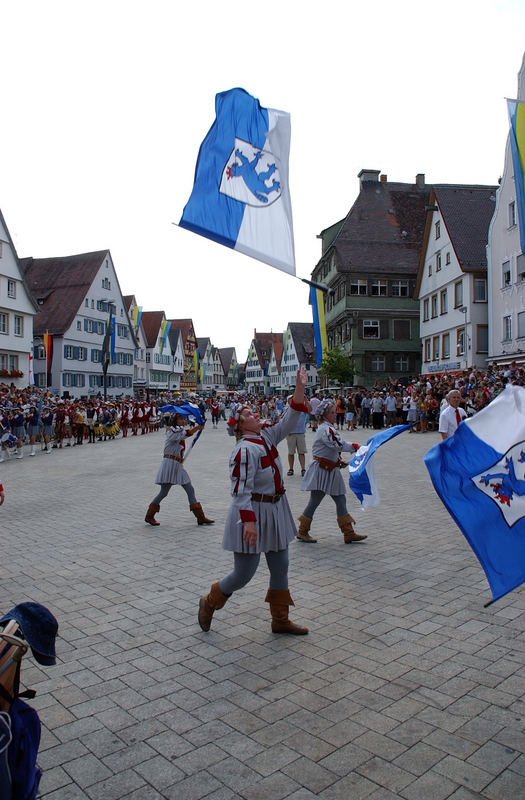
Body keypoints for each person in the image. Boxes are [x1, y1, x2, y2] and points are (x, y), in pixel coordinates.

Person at [198, 368, 309, 636]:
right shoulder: (244, 450)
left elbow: (290, 418)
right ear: (239, 426)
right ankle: (211, 600)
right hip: (252, 514)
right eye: (248, 414)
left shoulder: (266, 436)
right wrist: (249, 523)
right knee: (244, 575)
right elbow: (240, 491)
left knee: (281, 566)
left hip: (276, 510)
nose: (255, 413)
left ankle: (280, 620)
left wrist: (299, 387)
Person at [297, 399, 367, 544]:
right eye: (333, 413)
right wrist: (356, 446)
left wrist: (338, 461)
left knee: (340, 499)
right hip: (322, 470)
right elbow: (339, 445)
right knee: (316, 501)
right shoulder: (326, 429)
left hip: (329, 469)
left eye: (335, 412)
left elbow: (332, 449)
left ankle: (348, 532)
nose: (335, 415)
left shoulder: (327, 428)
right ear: (325, 415)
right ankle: (303, 531)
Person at [145, 412, 213, 527]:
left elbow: (184, 434)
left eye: (184, 419)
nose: (183, 421)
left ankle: (200, 517)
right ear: (175, 420)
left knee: (188, 489)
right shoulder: (172, 430)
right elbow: (183, 435)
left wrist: (198, 427)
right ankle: (149, 516)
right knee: (164, 492)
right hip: (170, 463)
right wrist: (197, 428)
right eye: (181, 419)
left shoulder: (178, 430)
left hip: (176, 464)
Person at [286, 394, 310, 477]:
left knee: (301, 452)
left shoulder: (301, 408)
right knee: (291, 452)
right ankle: (291, 468)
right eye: (291, 399)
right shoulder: (287, 409)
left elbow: (309, 410)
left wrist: (306, 400)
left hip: (300, 433)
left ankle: (303, 469)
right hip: (291, 433)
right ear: (288, 401)